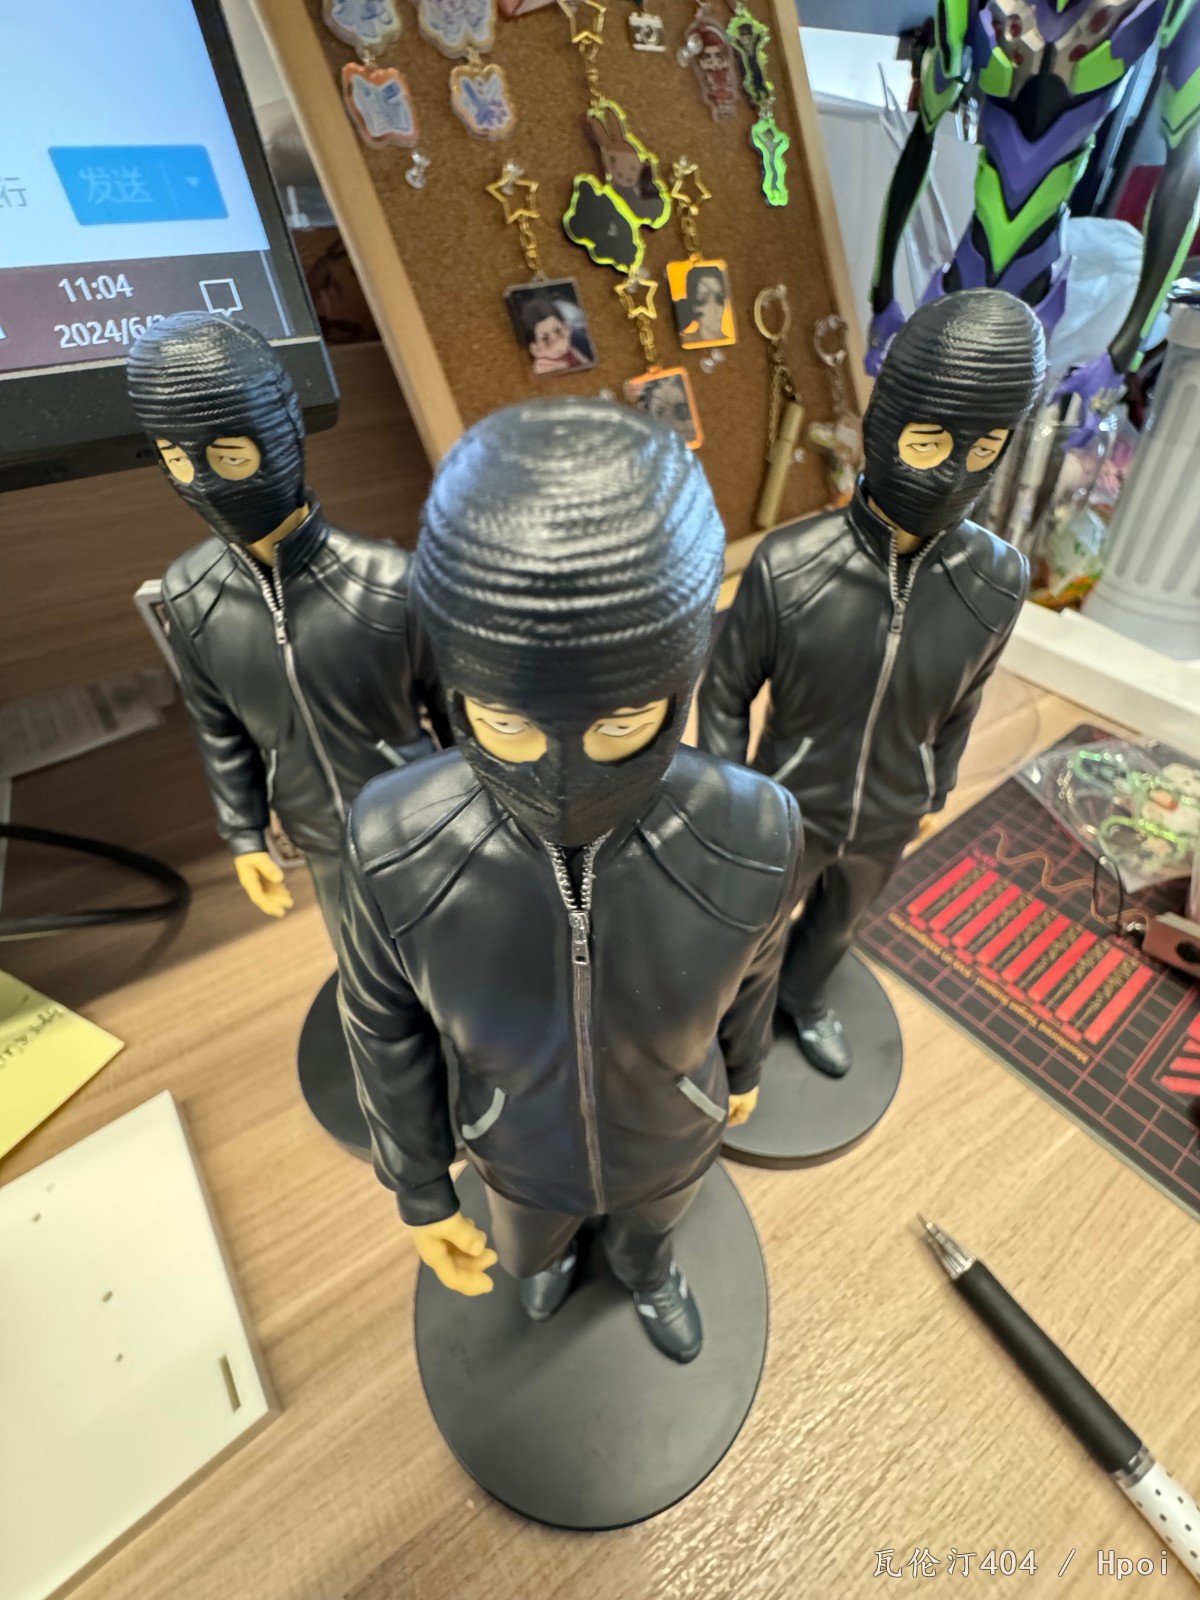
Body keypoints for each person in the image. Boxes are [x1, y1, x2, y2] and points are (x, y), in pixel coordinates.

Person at [338, 399, 802, 1363]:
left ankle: (647, 1270)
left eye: (619, 725)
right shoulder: (393, 841)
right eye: (506, 724)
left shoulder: (754, 828)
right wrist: (420, 1187)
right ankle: (544, 1266)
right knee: (528, 1247)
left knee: (654, 1229)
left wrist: (747, 1066)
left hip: (673, 1132)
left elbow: (759, 968)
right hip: (512, 1151)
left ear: (680, 680)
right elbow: (381, 1023)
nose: (559, 777)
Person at [698, 289, 1045, 1077]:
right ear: (884, 425)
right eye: (928, 442)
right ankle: (732, 1023)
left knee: (842, 921)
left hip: (893, 806)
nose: (954, 470)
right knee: (751, 925)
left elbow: (967, 697)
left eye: (986, 447)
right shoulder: (792, 566)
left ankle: (804, 998)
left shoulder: (998, 579)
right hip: (787, 803)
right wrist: (729, 799)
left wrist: (936, 787)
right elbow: (723, 691)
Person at [127, 312, 447, 943]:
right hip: (318, 839)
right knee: (365, 971)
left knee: (455, 954)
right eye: (176, 460)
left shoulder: (391, 582)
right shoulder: (191, 596)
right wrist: (244, 836)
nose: (203, 481)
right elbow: (219, 727)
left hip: (425, 825)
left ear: (280, 440)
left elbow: (460, 713)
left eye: (229, 457)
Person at [519, 295, 591, 375]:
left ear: (566, 327)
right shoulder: (541, 370)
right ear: (535, 349)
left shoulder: (574, 349)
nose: (556, 340)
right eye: (545, 338)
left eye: (558, 330)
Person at [678, 264, 730, 346]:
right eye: (704, 299)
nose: (715, 309)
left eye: (719, 298)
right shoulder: (683, 343)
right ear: (693, 306)